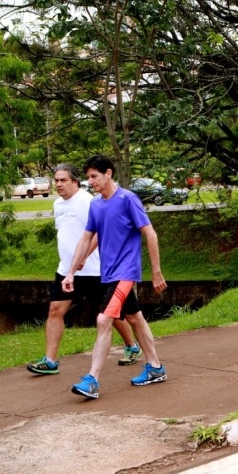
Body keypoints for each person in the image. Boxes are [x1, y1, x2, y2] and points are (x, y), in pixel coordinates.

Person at [63, 155, 168, 399]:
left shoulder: (127, 199)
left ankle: (92, 380)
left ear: (108, 173)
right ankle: (155, 367)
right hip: (109, 273)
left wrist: (156, 272)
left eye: (94, 176)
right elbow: (88, 238)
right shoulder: (96, 205)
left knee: (103, 320)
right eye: (88, 177)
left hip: (126, 272)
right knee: (134, 318)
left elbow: (150, 233)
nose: (90, 181)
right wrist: (71, 271)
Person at [27, 164, 141, 376]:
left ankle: (132, 345)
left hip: (94, 271)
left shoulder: (88, 201)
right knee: (55, 310)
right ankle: (50, 361)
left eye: (63, 180)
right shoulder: (58, 204)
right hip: (66, 271)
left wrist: (84, 257)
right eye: (56, 180)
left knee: (111, 314)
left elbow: (97, 233)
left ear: (75, 181)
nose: (59, 184)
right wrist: (70, 267)